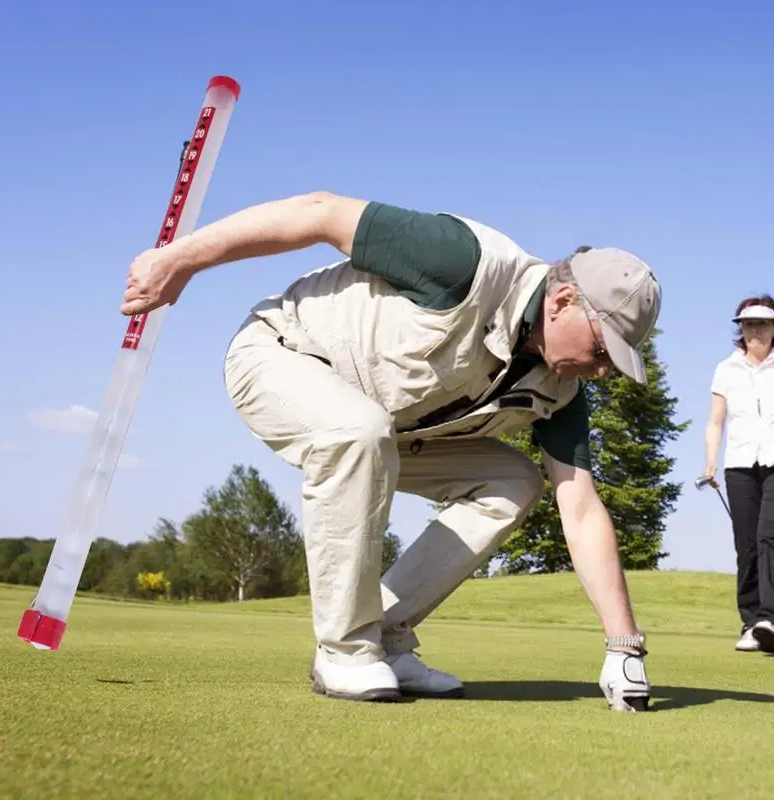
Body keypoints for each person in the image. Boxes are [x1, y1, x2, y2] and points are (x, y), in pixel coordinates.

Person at [121, 192, 662, 711]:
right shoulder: (462, 260)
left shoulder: (559, 390)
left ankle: (384, 634)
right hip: (280, 354)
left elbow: (582, 508)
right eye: (599, 350)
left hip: (385, 426)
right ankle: (345, 651)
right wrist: (181, 259)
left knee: (514, 481)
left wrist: (623, 645)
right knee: (358, 430)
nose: (601, 370)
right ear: (564, 300)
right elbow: (319, 211)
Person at [702, 295, 774, 653]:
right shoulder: (725, 369)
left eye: (762, 323)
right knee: (746, 545)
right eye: (748, 324)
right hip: (739, 465)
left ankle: (769, 617)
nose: (755, 330)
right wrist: (710, 461)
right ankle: (752, 624)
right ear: (740, 329)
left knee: (767, 537)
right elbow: (716, 421)